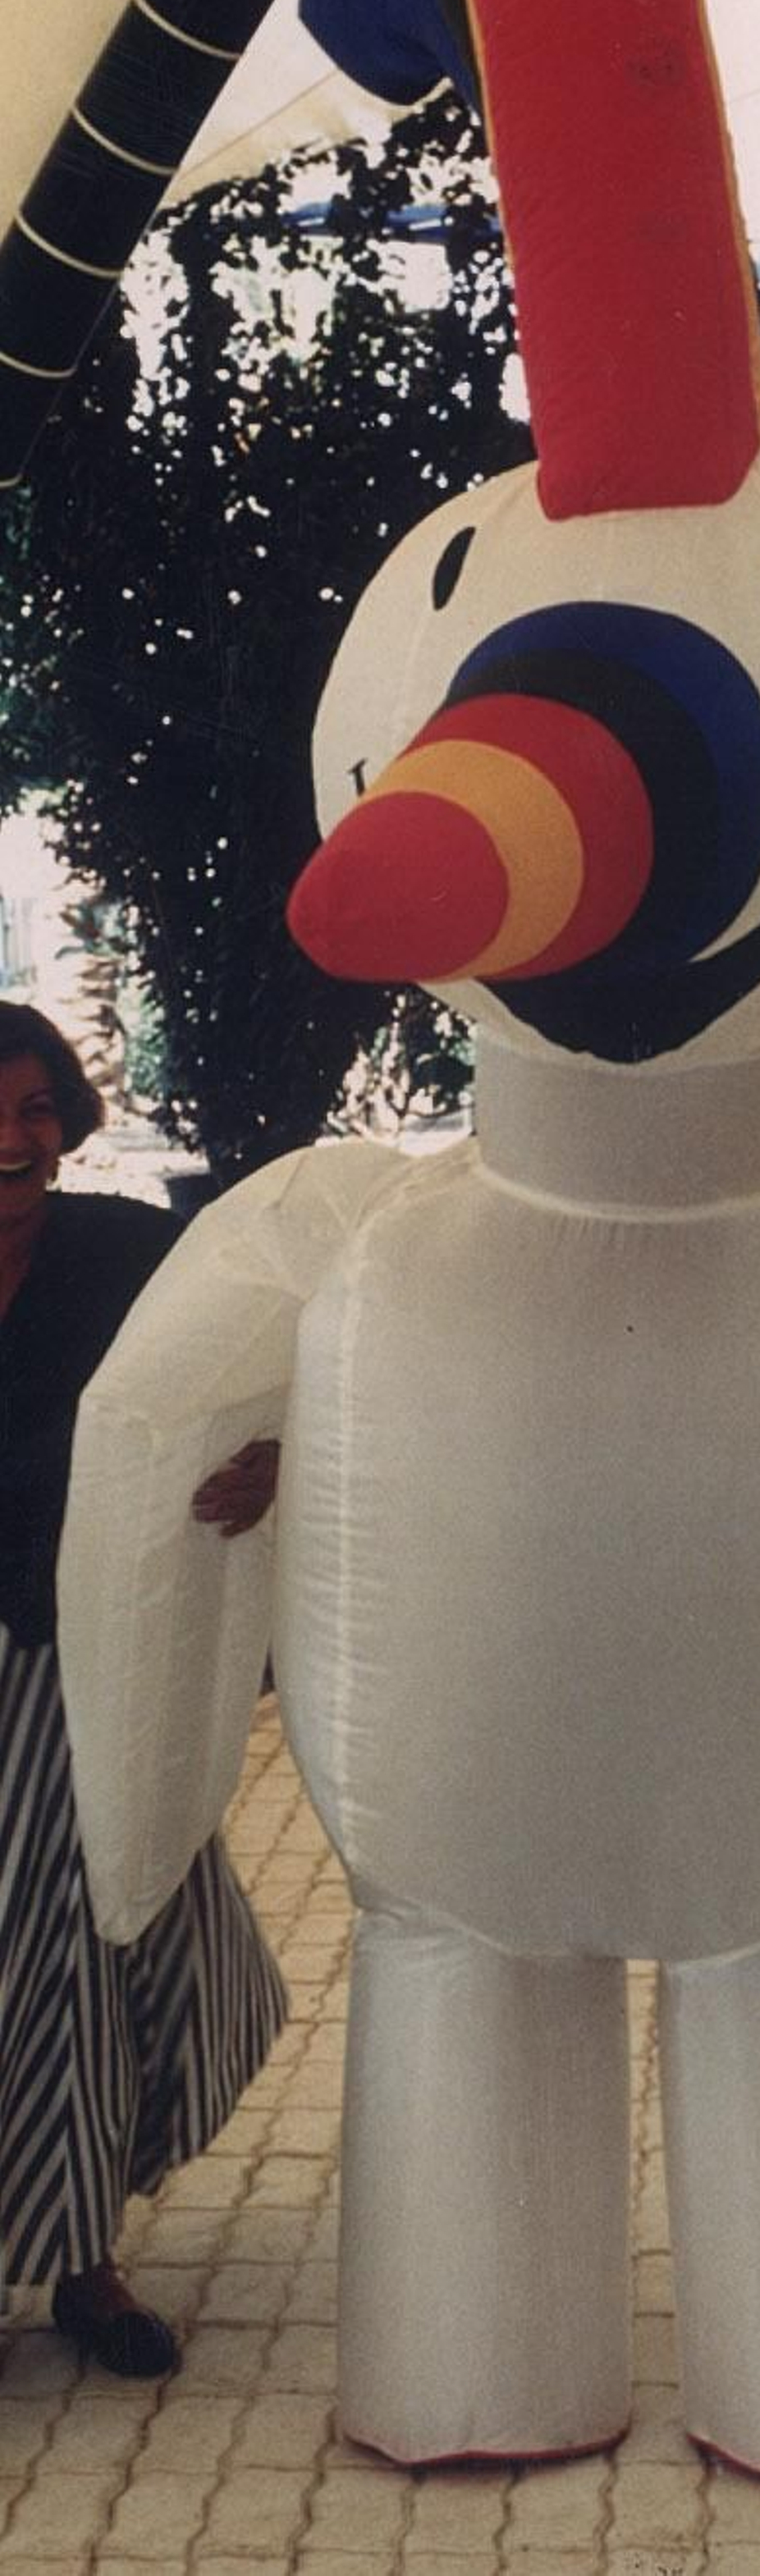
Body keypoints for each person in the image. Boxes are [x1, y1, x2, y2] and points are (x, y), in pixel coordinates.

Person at [0, 1002, 286, 2377]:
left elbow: (274, 1358)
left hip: (85, 1653)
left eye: (35, 1105)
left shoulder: (127, 1248)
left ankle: (84, 2262)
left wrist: (275, 1455)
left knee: (90, 1942)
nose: (13, 1139)